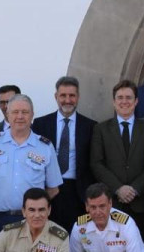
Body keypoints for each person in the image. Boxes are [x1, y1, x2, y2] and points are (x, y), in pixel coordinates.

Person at [0, 94, 62, 242]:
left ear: (32, 115)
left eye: (25, 112)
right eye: (15, 112)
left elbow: (53, 188)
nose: (20, 116)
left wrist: (35, 208)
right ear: (8, 115)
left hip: (31, 220)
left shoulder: (45, 147)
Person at [90, 80, 144, 248]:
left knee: (142, 250)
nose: (124, 101)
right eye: (120, 97)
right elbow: (96, 163)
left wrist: (135, 188)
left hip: (141, 203)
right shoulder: (101, 129)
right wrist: (118, 188)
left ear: (136, 101)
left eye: (129, 97)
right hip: (113, 202)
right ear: (114, 102)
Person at [33, 76, 99, 230]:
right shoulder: (41, 124)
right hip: (49, 190)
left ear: (78, 97)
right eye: (63, 95)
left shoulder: (90, 126)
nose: (67, 100)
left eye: (72, 95)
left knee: (76, 238)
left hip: (78, 192)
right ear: (56, 97)